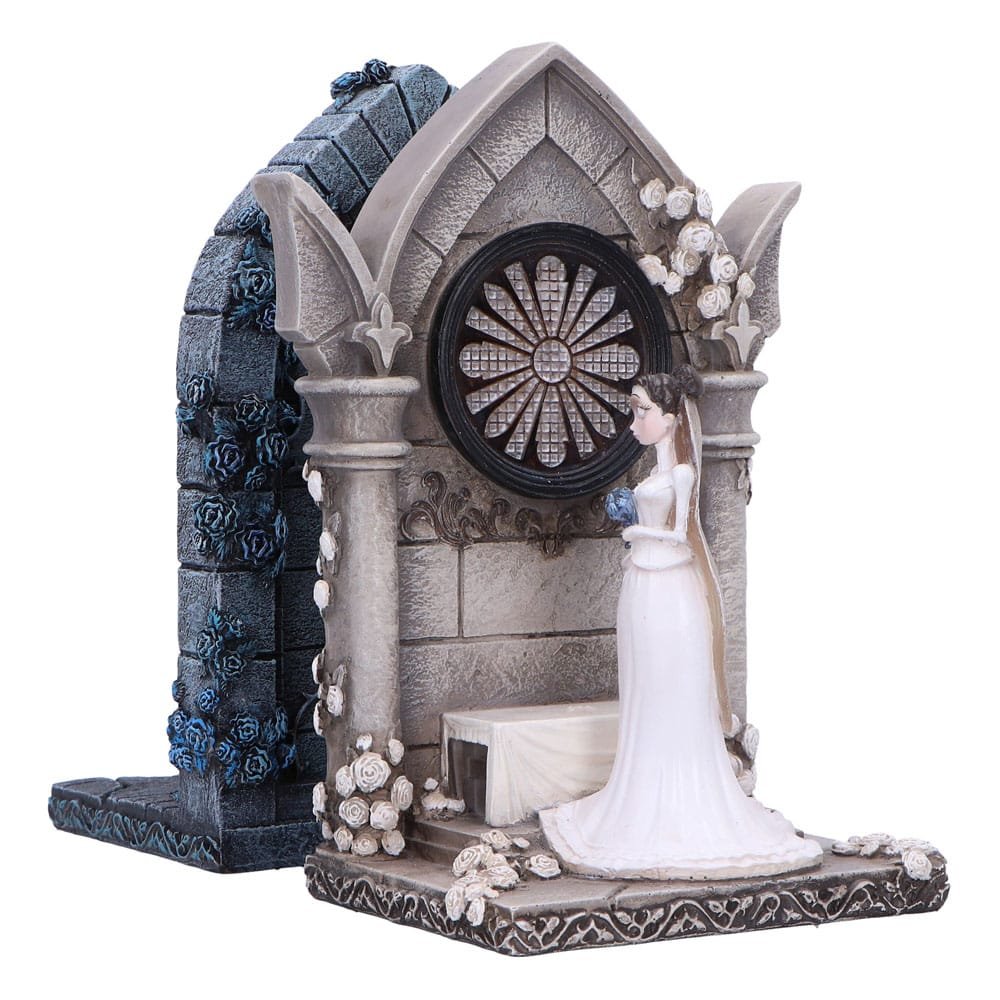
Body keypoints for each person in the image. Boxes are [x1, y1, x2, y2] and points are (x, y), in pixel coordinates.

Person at [538, 365, 822, 879]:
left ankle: (676, 796)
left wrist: (636, 533)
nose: (635, 423)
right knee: (645, 685)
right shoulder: (654, 472)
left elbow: (682, 534)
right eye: (634, 410)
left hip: (669, 584)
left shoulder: (682, 473)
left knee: (670, 686)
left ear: (670, 419)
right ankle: (640, 784)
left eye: (642, 411)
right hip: (642, 583)